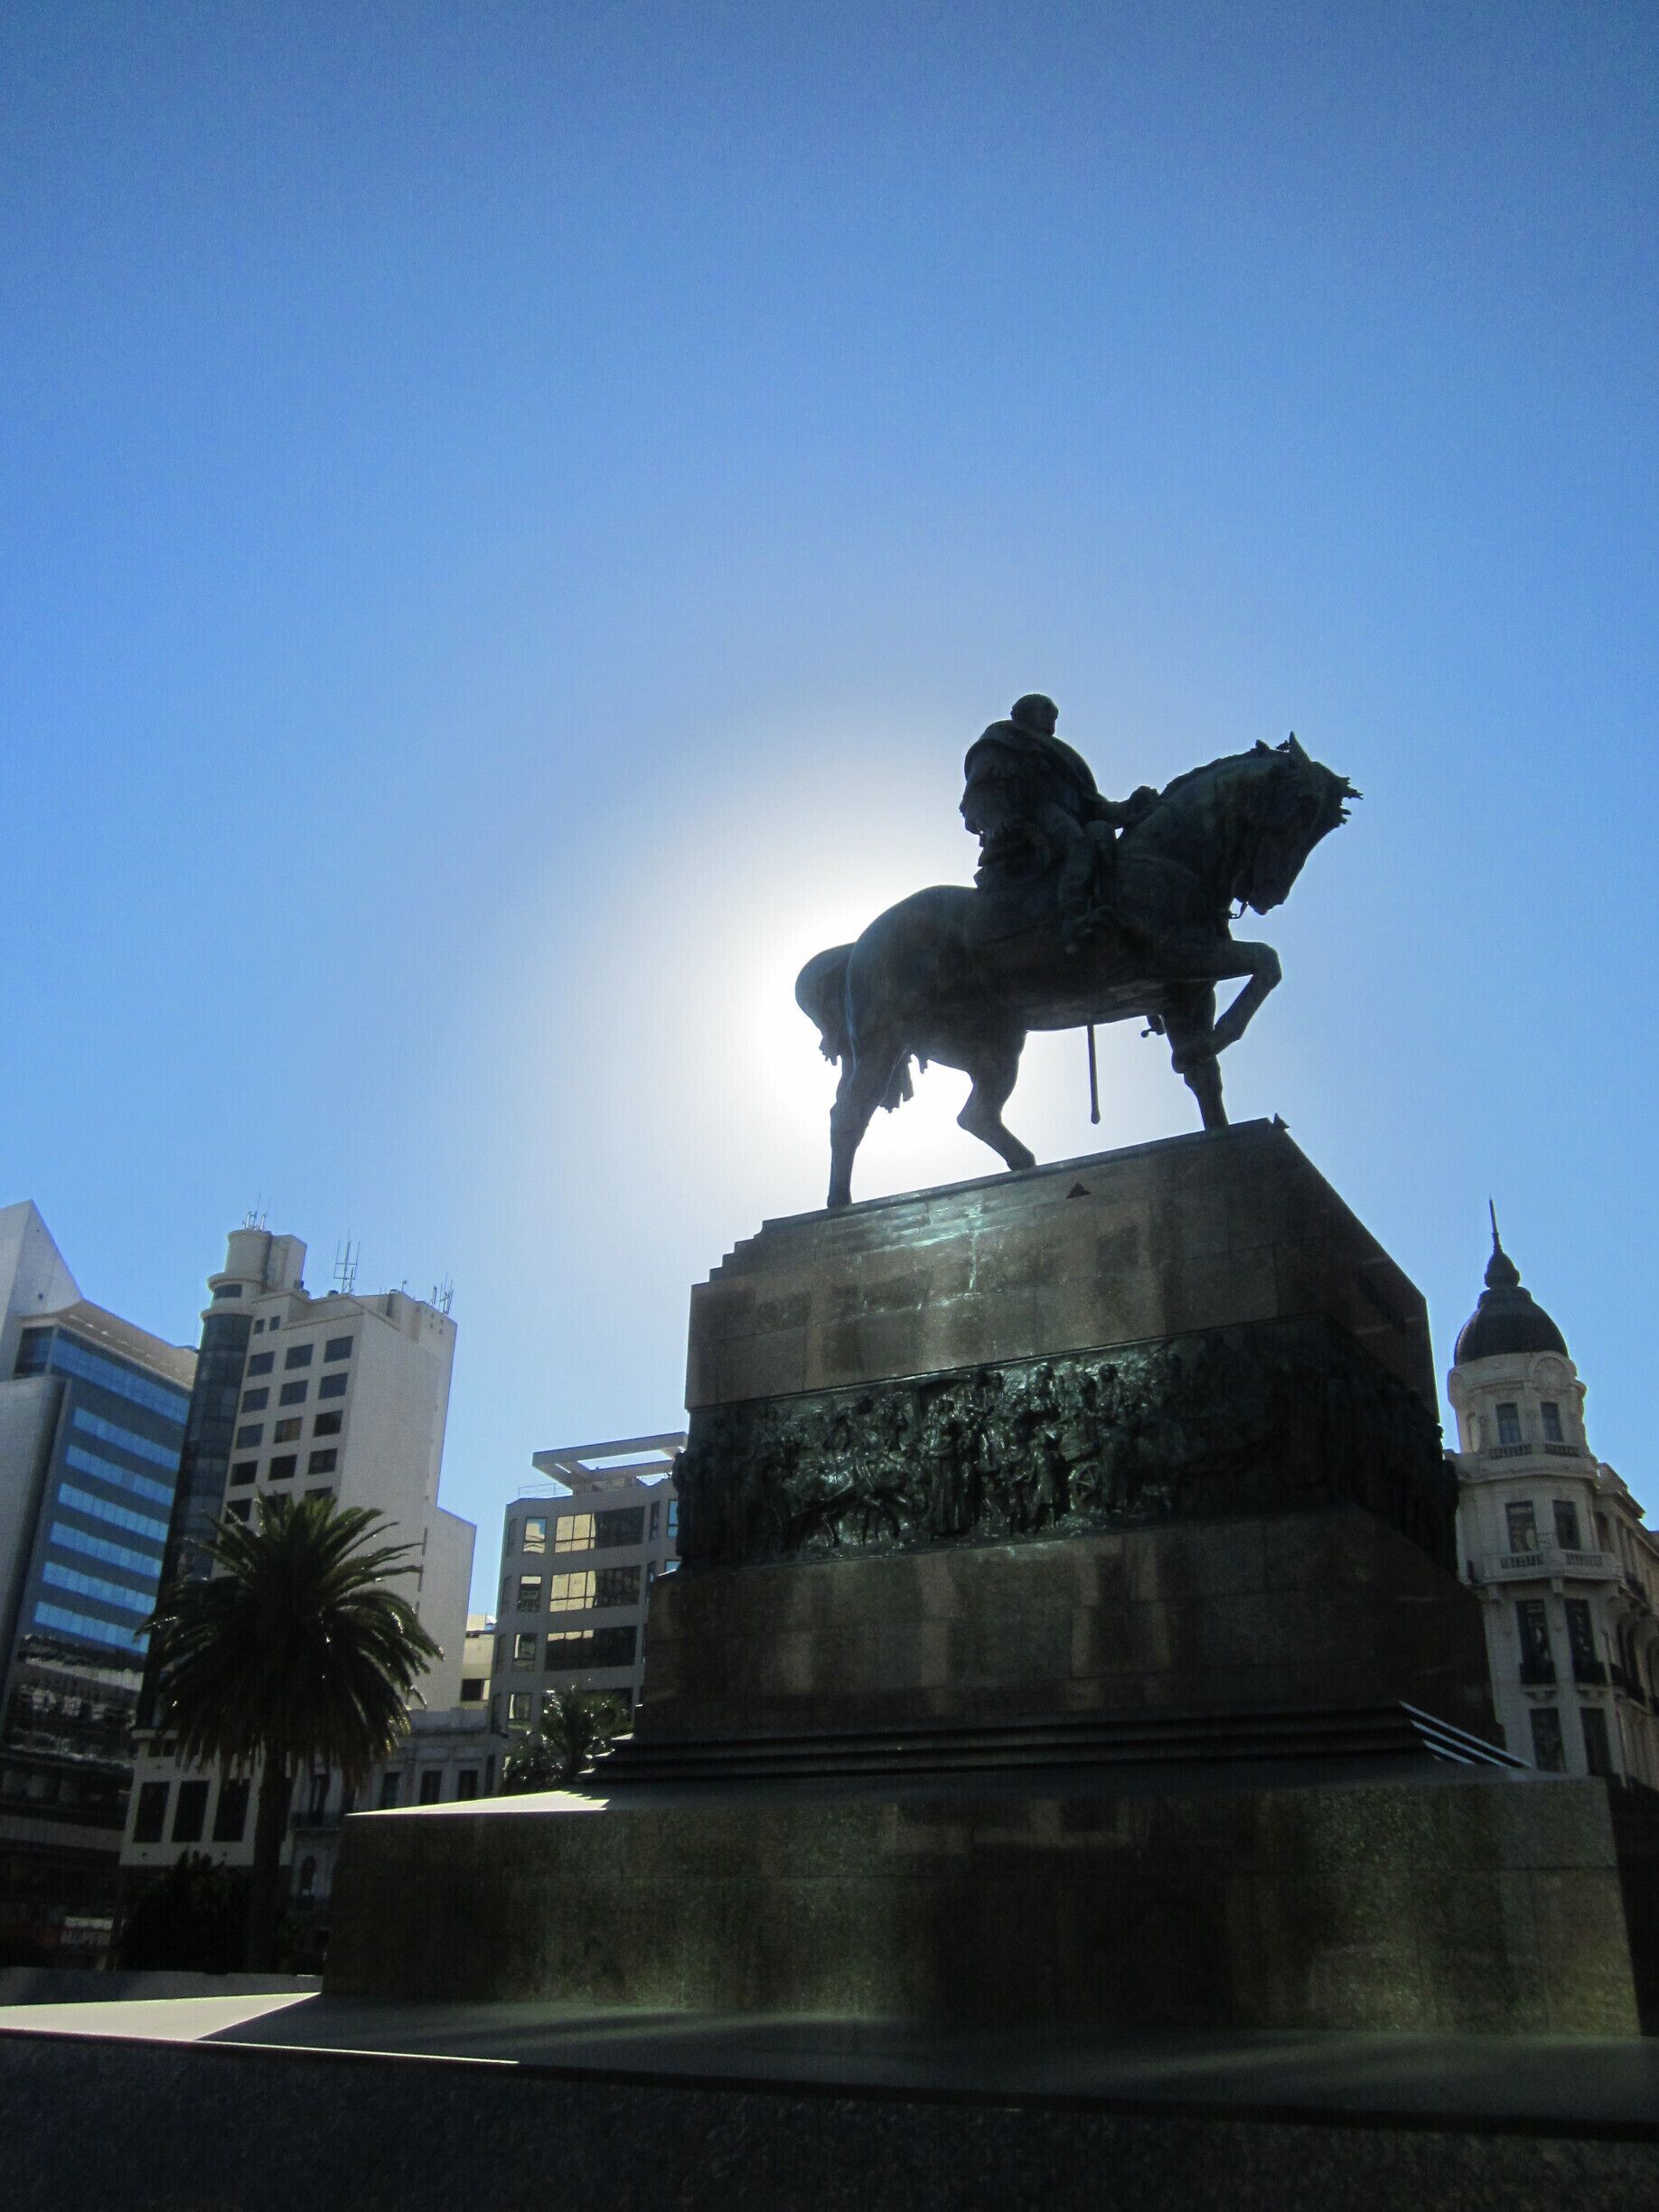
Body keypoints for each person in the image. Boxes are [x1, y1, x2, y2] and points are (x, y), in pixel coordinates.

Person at [960, 693, 1158, 946]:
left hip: (1071, 818)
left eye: (1054, 716)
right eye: (1045, 712)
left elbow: (1095, 806)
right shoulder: (1002, 740)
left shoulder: (1064, 756)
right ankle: (1074, 915)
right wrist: (1004, 822)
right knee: (1078, 842)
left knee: (1102, 835)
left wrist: (1132, 805)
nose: (1051, 721)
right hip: (1033, 817)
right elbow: (980, 792)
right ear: (1024, 713)